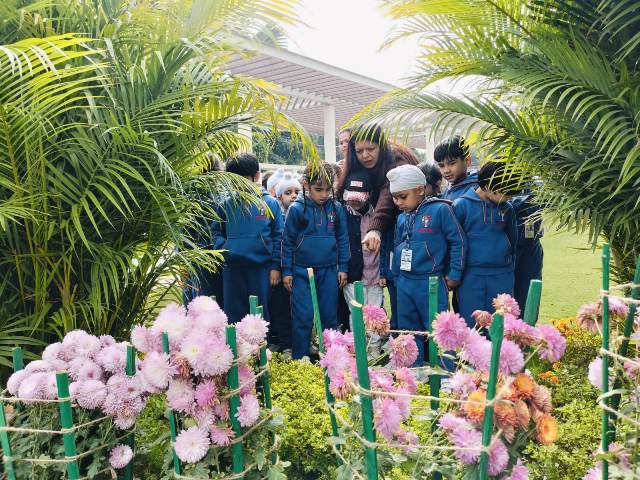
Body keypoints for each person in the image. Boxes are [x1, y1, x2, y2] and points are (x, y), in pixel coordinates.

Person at [388, 164, 466, 365]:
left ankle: (446, 374)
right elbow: (397, 246)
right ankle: (413, 372)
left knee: (439, 330)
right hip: (405, 283)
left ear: (420, 190)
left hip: (430, 282)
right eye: (395, 197)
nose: (398, 202)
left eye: (403, 197)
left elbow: (458, 241)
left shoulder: (441, 209)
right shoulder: (401, 218)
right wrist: (396, 275)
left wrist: (455, 273)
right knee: (408, 331)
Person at [282, 163, 349, 359]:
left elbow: (343, 239)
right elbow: (286, 242)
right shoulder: (296, 209)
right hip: (301, 271)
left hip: (329, 271)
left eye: (329, 190)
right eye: (318, 189)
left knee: (329, 315)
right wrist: (287, 271)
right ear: (306, 185)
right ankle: (300, 356)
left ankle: (330, 355)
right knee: (303, 316)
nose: (324, 194)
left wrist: (343, 266)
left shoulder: (336, 208)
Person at [212, 153, 283, 323]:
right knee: (233, 314)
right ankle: (236, 349)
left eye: (243, 179)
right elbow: (216, 233)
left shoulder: (270, 204)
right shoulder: (225, 204)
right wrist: (226, 249)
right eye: (234, 180)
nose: (239, 184)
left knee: (259, 314)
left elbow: (278, 236)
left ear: (256, 176)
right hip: (232, 269)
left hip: (261, 269)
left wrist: (275, 267)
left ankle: (261, 349)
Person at [452, 161, 520, 325]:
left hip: (502, 274)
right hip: (470, 276)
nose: (509, 197)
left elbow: (513, 240)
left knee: (501, 325)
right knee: (472, 325)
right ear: (488, 185)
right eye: (505, 192)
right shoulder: (461, 206)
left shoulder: (507, 208)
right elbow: (455, 243)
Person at [336, 125, 419, 255]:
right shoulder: (355, 162)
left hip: (410, 221)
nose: (365, 155)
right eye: (359, 151)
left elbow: (387, 194)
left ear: (381, 146)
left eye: (371, 149)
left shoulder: (396, 157)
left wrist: (375, 229)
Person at [268, 173, 301, 353]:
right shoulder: (278, 215)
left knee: (298, 310)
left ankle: (296, 341)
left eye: (297, 191)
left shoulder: (301, 214)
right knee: (281, 308)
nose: (294, 195)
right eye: (288, 192)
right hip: (281, 271)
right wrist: (277, 268)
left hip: (298, 269)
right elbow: (279, 243)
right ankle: (284, 342)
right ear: (279, 196)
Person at [342, 170, 384, 314]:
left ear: (370, 194)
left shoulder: (378, 216)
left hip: (375, 276)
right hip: (352, 276)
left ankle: (375, 338)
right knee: (356, 314)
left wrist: (384, 273)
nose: (354, 201)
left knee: (375, 314)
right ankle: (356, 338)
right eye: (350, 197)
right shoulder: (342, 215)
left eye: (359, 197)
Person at [510, 189, 544, 311]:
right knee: (507, 296)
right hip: (509, 248)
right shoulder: (499, 182)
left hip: (532, 247)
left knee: (531, 292)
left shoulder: (536, 185)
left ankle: (527, 327)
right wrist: (529, 199)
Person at [435, 136, 478, 201]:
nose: (446, 170)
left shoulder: (476, 190)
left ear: (467, 161)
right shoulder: (449, 189)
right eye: (441, 166)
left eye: (452, 163)